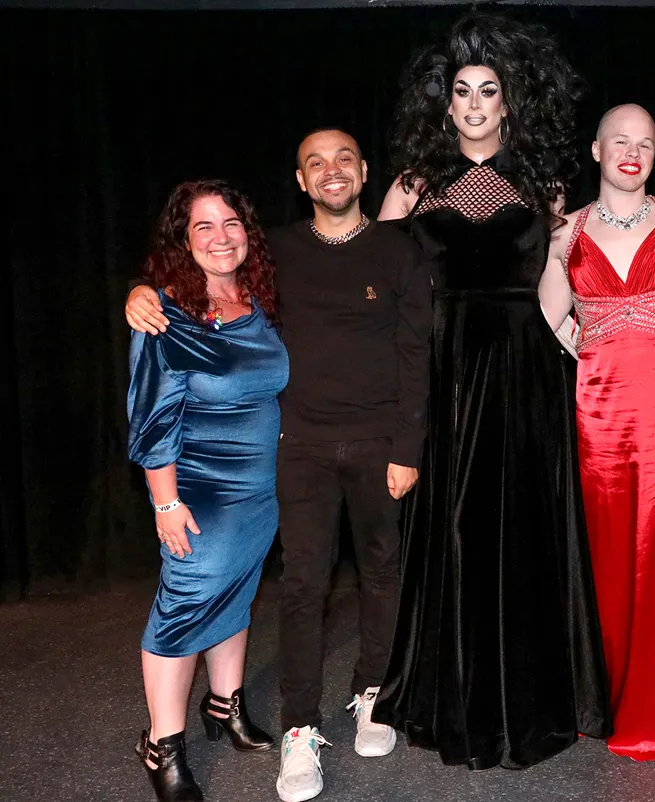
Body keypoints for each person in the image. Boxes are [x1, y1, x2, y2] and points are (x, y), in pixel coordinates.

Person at [125, 129, 432, 802]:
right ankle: (282, 728)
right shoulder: (275, 257)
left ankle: (356, 695)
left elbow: (417, 351)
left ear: (364, 171)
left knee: (357, 574)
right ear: (299, 180)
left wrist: (408, 448)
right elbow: (177, 316)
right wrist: (140, 291)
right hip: (268, 465)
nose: (331, 171)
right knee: (289, 589)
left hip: (327, 461)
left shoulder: (355, 259)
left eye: (344, 159)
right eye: (315, 162)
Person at [371, 13, 612, 770]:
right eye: (462, 91)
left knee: (522, 525)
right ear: (445, 103)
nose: (474, 103)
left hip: (523, 368)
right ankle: (454, 693)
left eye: (488, 90)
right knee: (454, 523)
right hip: (443, 366)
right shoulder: (412, 186)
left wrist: (590, 344)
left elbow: (562, 284)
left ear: (508, 101)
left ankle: (531, 696)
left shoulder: (543, 185)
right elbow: (373, 283)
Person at [538, 104, 655, 761]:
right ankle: (611, 693)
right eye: (620, 140)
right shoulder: (566, 230)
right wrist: (587, 342)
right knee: (609, 548)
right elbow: (547, 314)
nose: (632, 152)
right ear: (596, 150)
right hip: (600, 412)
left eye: (645, 143)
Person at [127, 180, 287, 802]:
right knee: (183, 609)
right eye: (204, 226)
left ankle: (224, 705)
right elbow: (153, 417)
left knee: (237, 595)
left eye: (231, 223)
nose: (221, 237)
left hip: (259, 489)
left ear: (248, 233)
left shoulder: (258, 299)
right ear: (183, 240)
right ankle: (161, 744)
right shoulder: (164, 314)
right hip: (200, 492)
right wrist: (166, 503)